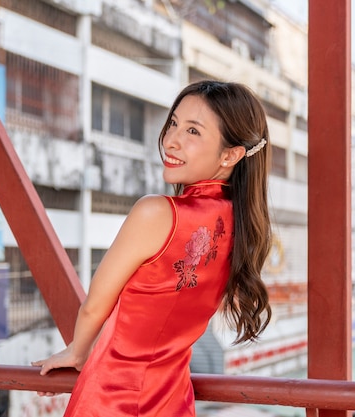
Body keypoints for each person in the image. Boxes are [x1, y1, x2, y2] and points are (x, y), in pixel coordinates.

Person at [32, 80, 273, 416]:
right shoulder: (242, 225)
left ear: (231, 154)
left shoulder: (157, 213)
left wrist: (76, 351)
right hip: (172, 400)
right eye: (173, 123)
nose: (171, 140)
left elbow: (94, 306)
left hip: (112, 399)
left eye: (193, 131)